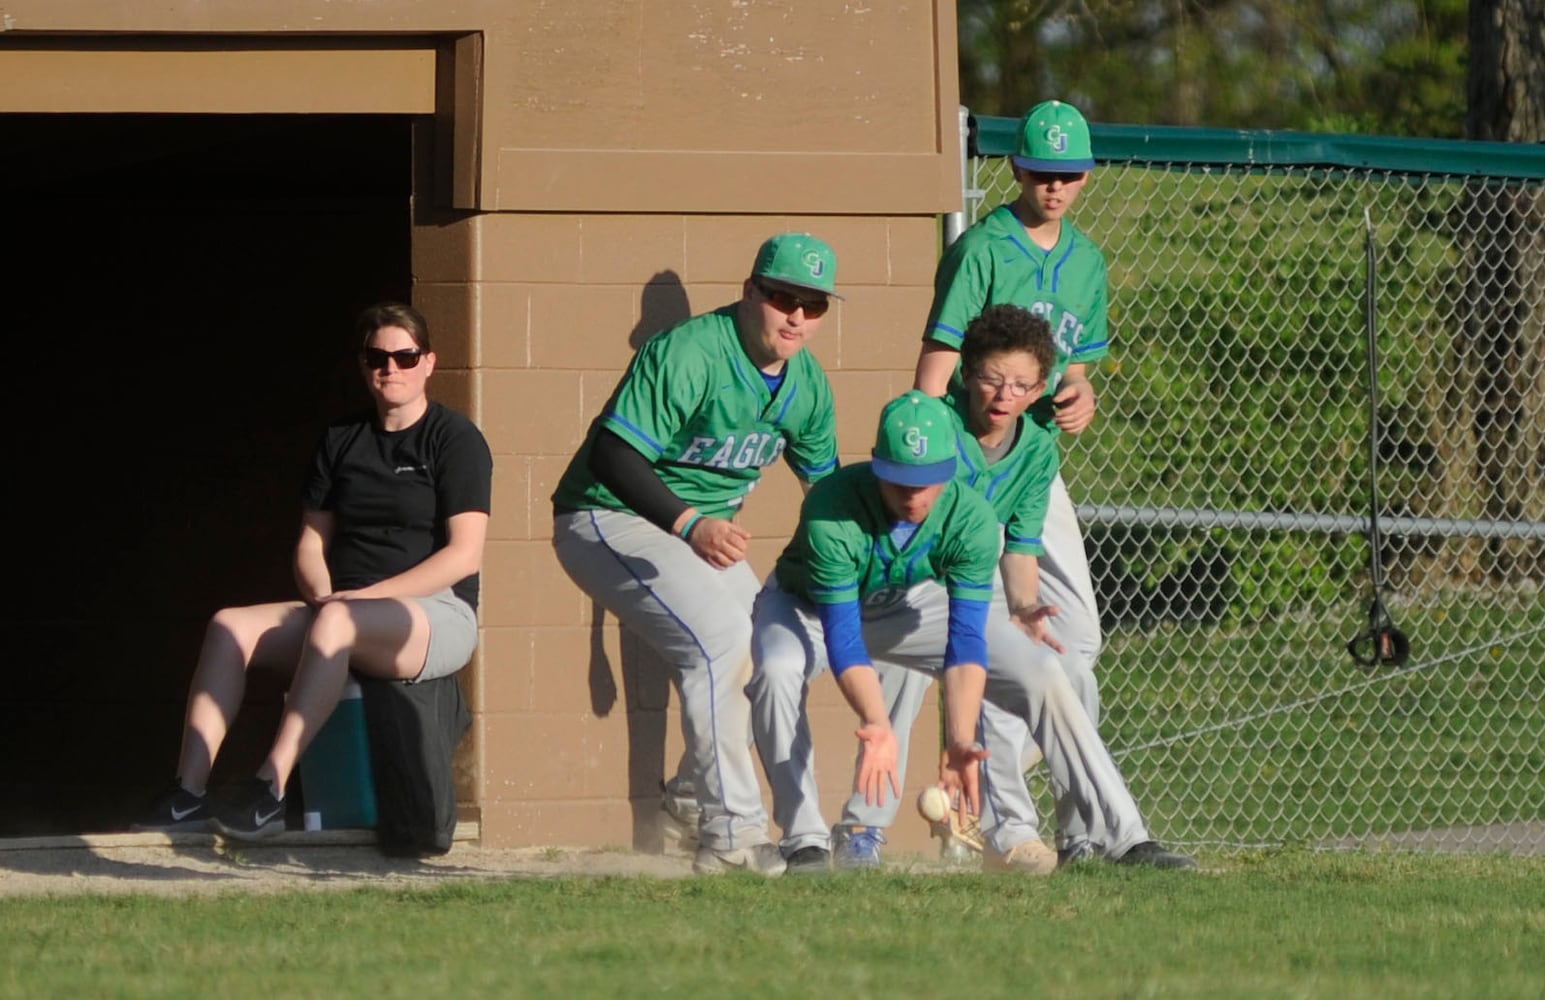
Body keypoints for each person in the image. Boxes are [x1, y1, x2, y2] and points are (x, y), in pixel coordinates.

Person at [750, 390, 1185, 874]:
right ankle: (804, 840)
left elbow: (965, 642)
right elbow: (844, 637)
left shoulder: (970, 516)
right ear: (876, 465)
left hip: (907, 601)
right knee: (776, 668)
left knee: (1045, 669)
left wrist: (960, 740)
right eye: (899, 480)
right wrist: (877, 723)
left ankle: (1125, 837)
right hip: (806, 606)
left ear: (950, 469)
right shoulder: (833, 508)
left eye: (928, 480)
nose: (914, 495)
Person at [831, 307, 1194, 872]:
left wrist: (1024, 608)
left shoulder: (1037, 448)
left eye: (1023, 384)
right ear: (968, 374)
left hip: (970, 584)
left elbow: (1020, 548)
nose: (1005, 395)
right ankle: (860, 829)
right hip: (898, 583)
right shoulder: (935, 422)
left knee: (1062, 669)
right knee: (891, 676)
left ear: (1042, 387)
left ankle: (1117, 837)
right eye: (993, 379)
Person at [133, 302, 493, 840]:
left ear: (428, 363)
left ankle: (269, 790)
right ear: (362, 365)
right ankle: (188, 792)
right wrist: (325, 595)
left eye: (404, 355)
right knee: (230, 624)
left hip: (434, 614)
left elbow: (463, 556)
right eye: (377, 357)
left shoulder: (454, 439)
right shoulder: (341, 438)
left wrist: (362, 600)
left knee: (335, 624)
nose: (390, 368)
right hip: (343, 610)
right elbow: (311, 541)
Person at [550, 233, 841, 877]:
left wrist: (844, 571)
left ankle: (688, 797)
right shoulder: (690, 352)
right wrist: (690, 524)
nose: (796, 315)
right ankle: (731, 837)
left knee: (770, 648)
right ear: (750, 291)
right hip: (606, 516)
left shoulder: (807, 384)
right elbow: (612, 455)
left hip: (697, 534)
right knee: (719, 643)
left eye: (813, 305)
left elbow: (826, 492)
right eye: (782, 296)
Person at [911, 98, 1122, 866]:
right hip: (967, 469)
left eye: (1068, 174)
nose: (1054, 186)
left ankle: (1026, 788)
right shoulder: (982, 250)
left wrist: (1081, 392)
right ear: (1014, 168)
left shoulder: (1087, 260)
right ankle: (1007, 827)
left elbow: (1072, 363)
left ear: (1085, 176)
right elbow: (935, 370)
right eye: (1040, 171)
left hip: (1035, 468)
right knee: (998, 634)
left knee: (1077, 640)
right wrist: (932, 469)